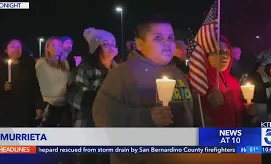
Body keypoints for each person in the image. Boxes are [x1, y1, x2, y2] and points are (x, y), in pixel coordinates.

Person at [92, 16, 206, 164]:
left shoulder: (179, 74)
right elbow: (102, 116)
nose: (167, 43)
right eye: (158, 38)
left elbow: (192, 114)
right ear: (139, 44)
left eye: (170, 38)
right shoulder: (122, 74)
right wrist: (148, 117)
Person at [68, 27, 118, 164]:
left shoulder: (119, 71)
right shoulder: (85, 69)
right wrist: (104, 99)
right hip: (88, 128)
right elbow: (75, 95)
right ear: (96, 48)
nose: (111, 47)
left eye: (113, 43)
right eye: (106, 44)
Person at [0, 39, 44, 127]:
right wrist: (2, 88)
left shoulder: (28, 66)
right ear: (6, 50)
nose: (16, 49)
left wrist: (39, 106)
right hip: (3, 115)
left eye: (19, 47)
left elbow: (35, 87)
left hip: (25, 113)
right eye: (12, 46)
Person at [201, 35, 253, 127]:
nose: (224, 56)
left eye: (227, 52)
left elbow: (236, 107)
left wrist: (246, 108)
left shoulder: (234, 81)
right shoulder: (199, 80)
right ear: (206, 55)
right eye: (218, 52)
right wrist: (207, 104)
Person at [35, 37, 72, 127]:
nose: (57, 47)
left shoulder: (65, 63)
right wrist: (40, 106)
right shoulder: (42, 63)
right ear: (47, 48)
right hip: (49, 105)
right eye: (53, 45)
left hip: (64, 105)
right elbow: (37, 85)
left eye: (59, 45)